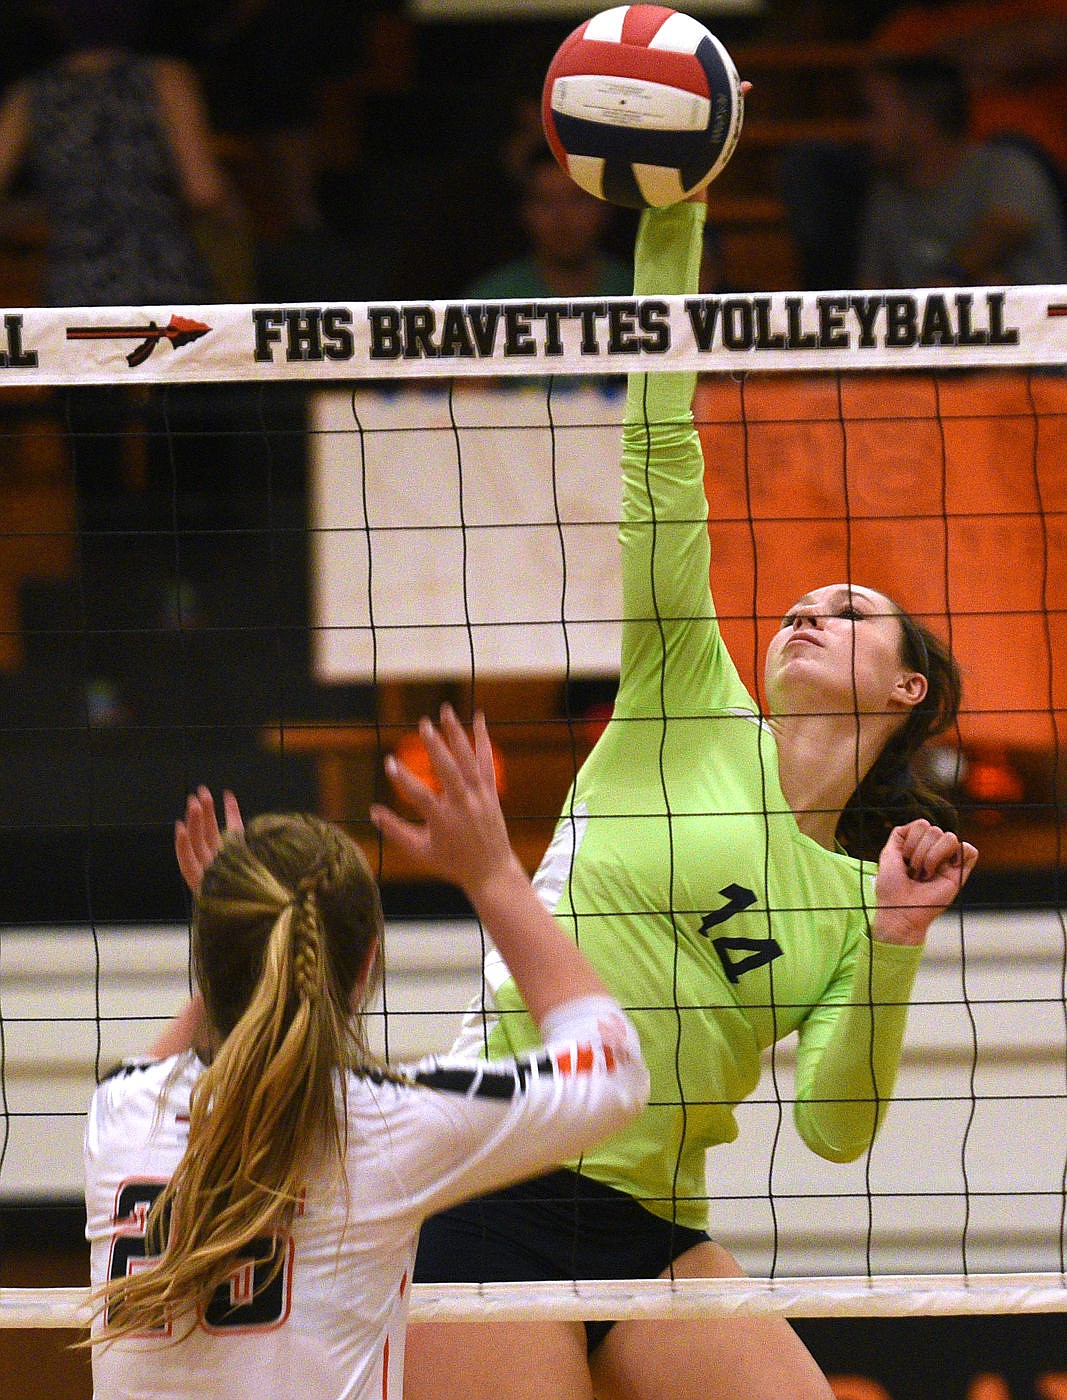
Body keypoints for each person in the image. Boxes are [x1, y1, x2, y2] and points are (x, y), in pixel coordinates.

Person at [403, 193, 979, 1400]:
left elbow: (831, 1128)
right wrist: (677, 210)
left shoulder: (853, 893)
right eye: (797, 604)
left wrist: (891, 943)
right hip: (494, 1172)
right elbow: (659, 454)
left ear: (906, 684)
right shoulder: (685, 696)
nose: (803, 612)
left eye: (847, 609)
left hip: (656, 1219)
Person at [82, 706, 650, 1400]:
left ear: (209, 957)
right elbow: (612, 1066)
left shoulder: (117, 1112)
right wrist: (494, 873)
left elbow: (171, 1057)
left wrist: (235, 928)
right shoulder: (382, 1127)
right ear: (364, 968)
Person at [0, 0, 247, 306]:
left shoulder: (30, 95)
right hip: (164, 281)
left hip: (76, 290)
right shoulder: (166, 79)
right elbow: (204, 191)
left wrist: (53, 210)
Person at [854, 54, 1067, 287]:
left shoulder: (1007, 166)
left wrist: (944, 283)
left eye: (875, 114)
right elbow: (870, 288)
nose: (864, 130)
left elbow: (1003, 230)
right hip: (930, 324)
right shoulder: (887, 193)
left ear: (921, 121)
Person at [464, 140, 632, 303]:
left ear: (604, 205)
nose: (562, 217)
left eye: (577, 200)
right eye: (545, 202)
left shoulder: (635, 292)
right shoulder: (490, 300)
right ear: (525, 211)